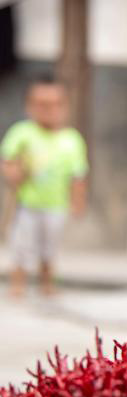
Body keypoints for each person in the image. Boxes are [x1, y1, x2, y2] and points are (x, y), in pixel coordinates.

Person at [1, 73, 88, 297]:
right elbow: (8, 160)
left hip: (56, 206)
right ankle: (17, 285)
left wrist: (78, 202)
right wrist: (13, 172)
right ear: (29, 106)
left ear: (65, 106)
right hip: (27, 204)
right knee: (21, 245)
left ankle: (47, 283)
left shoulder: (71, 140)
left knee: (49, 248)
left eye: (54, 104)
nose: (48, 110)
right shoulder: (23, 133)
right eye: (41, 104)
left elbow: (78, 175)